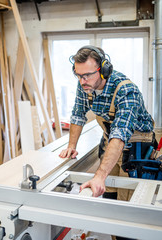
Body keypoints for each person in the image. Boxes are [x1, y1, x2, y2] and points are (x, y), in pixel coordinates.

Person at [59, 45, 155, 199]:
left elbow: (120, 134)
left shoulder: (127, 91)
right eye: (78, 75)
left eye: (87, 75)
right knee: (108, 192)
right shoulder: (85, 84)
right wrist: (71, 146)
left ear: (104, 70)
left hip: (136, 144)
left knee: (127, 197)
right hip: (110, 139)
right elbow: (78, 114)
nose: (82, 81)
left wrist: (99, 176)